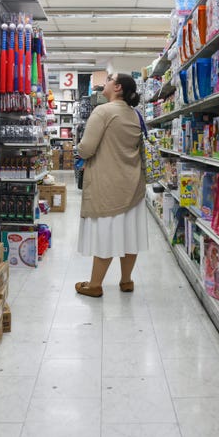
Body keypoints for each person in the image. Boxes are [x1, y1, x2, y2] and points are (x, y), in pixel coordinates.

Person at [74, 72, 148, 297]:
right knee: (130, 234)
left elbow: (87, 148)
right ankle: (126, 281)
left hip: (108, 184)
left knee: (106, 234)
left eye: (109, 80)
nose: (104, 83)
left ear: (117, 88)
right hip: (133, 183)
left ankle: (95, 285)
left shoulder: (103, 111)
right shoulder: (135, 114)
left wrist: (78, 150)